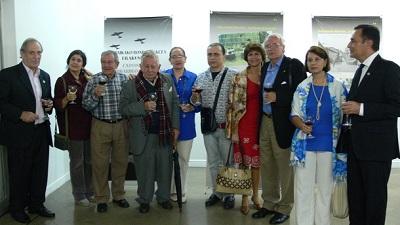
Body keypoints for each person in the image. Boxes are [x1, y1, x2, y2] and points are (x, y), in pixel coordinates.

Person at [343, 24, 400, 225]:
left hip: (376, 151)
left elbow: (396, 106)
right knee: (356, 202)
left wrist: (361, 109)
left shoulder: (390, 69)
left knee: (374, 203)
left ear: (368, 43)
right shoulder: (360, 71)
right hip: (356, 148)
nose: (349, 45)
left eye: (353, 40)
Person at [252, 34, 306, 224]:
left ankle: (285, 207)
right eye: (268, 46)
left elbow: (302, 94)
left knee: (284, 167)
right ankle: (269, 203)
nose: (271, 48)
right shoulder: (265, 66)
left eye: (275, 45)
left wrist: (279, 97)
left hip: (283, 123)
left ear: (283, 47)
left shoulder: (294, 65)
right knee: (267, 165)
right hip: (265, 122)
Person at [290, 46, 347, 225]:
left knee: (325, 189)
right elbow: (294, 114)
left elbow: (346, 117)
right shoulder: (302, 86)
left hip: (329, 145)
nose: (313, 63)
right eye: (310, 60)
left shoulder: (338, 87)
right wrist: (301, 126)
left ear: (325, 62)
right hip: (305, 145)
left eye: (317, 59)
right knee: (303, 189)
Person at [0, 38, 55, 223]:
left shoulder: (45, 76)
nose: (36, 56)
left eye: (39, 52)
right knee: (19, 173)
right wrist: (19, 114)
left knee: (40, 171)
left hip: (41, 131)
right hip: (19, 133)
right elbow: (2, 103)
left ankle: (36, 204)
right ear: (22, 54)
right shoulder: (8, 75)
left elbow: (48, 101)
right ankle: (17, 208)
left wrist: (49, 105)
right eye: (32, 52)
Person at [119, 50, 179, 213]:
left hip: (164, 134)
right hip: (142, 136)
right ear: (141, 66)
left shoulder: (167, 81)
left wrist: (175, 127)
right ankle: (144, 200)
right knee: (144, 171)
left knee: (165, 170)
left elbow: (174, 104)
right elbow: (123, 109)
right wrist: (142, 107)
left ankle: (164, 198)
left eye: (153, 66)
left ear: (159, 66)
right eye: (147, 66)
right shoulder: (130, 85)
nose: (150, 69)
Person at [82, 50, 129, 213]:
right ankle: (101, 198)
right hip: (100, 125)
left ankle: (118, 195)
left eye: (110, 62)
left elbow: (131, 102)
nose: (106, 65)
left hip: (121, 125)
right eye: (103, 62)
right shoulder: (94, 80)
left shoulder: (124, 79)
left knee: (120, 162)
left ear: (117, 64)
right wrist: (95, 95)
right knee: (99, 164)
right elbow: (85, 105)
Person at [191, 43, 237, 209]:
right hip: (209, 128)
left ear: (224, 56)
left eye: (216, 54)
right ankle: (217, 193)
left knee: (228, 162)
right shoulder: (201, 77)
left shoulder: (234, 76)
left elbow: (239, 103)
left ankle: (229, 194)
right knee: (212, 162)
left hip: (227, 128)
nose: (212, 57)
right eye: (209, 54)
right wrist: (194, 98)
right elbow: (195, 103)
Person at [226, 43, 264, 215]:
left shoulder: (268, 76)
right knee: (243, 164)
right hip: (244, 125)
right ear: (246, 57)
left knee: (257, 164)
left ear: (262, 56)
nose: (253, 57)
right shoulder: (239, 77)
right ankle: (245, 198)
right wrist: (233, 131)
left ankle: (256, 195)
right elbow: (232, 106)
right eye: (250, 54)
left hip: (262, 125)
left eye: (256, 54)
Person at [54, 50, 94, 207]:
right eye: (73, 59)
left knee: (89, 161)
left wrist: (90, 75)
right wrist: (66, 99)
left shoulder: (87, 79)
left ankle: (90, 192)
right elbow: (57, 104)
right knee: (77, 162)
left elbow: (98, 90)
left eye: (79, 60)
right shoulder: (62, 81)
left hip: (89, 126)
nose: (75, 62)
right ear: (68, 61)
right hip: (73, 129)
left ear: (83, 64)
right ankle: (79, 195)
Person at [164, 47, 199, 203]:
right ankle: (166, 191)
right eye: (174, 56)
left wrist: (193, 106)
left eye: (180, 56)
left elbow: (199, 102)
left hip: (186, 124)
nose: (177, 59)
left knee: (183, 160)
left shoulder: (193, 77)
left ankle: (181, 191)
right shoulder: (163, 76)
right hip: (166, 125)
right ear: (170, 60)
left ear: (185, 58)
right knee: (165, 160)